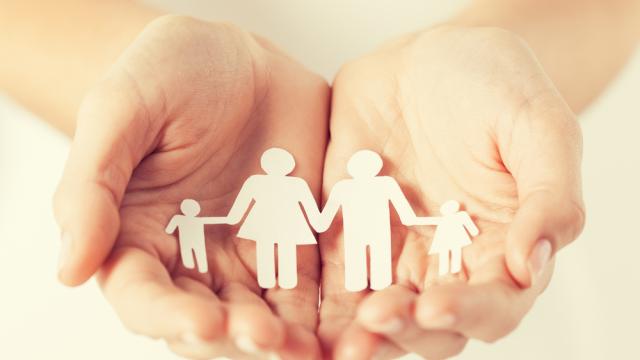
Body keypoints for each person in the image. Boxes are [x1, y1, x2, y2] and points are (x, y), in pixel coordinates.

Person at [2, 0, 638, 359]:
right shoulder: (289, 186)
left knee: (360, 263)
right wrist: (124, 84)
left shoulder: (369, 186)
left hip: (478, 225)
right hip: (138, 222)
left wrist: (503, 57)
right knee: (299, 264)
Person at [317, 150, 419, 291]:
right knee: (375, 264)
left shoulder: (344, 187)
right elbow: (406, 213)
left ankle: (365, 283)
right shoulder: (385, 184)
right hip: (373, 231)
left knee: (360, 263)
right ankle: (374, 283)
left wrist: (315, 222)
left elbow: (324, 220)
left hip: (361, 232)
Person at [224, 147, 322, 289]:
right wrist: (320, 222)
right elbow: (310, 208)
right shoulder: (296, 184)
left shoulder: (257, 181)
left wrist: (233, 217)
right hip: (285, 223)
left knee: (268, 248)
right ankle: (284, 279)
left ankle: (271, 279)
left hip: (266, 222)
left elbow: (241, 204)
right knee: (284, 249)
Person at [165, 199, 227, 273]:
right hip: (195, 242)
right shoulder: (196, 220)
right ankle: (198, 269)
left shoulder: (179, 219)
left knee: (190, 257)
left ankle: (194, 269)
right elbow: (214, 220)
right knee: (198, 256)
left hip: (187, 242)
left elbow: (169, 230)